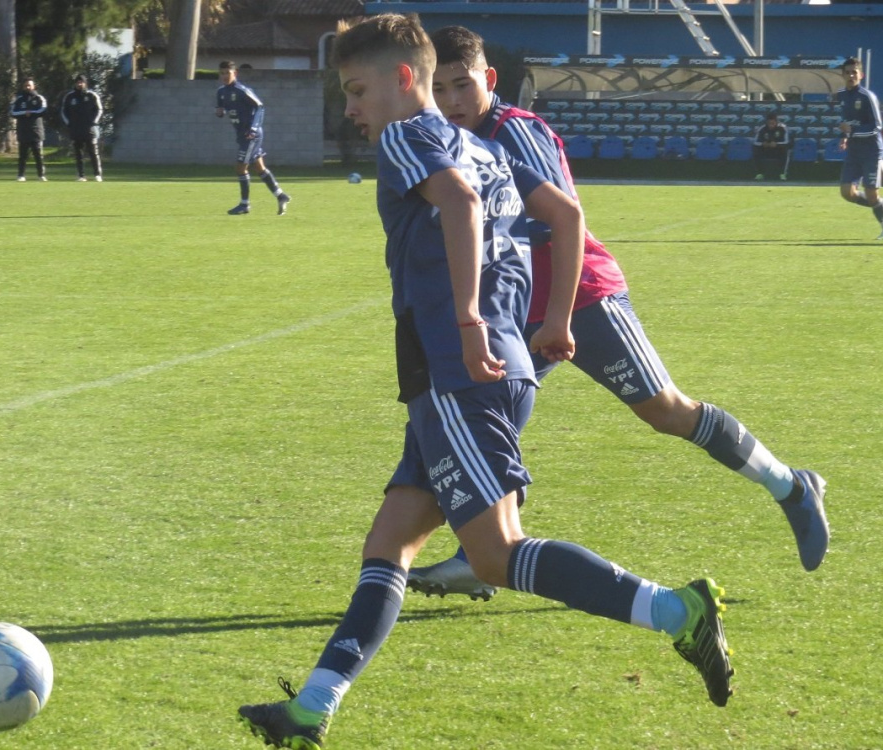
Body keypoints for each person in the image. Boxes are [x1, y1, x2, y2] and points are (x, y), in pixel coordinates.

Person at [237, 15, 734, 749]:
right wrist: (551, 322)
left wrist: (468, 322)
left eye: (356, 89)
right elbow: (559, 217)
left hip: (457, 373)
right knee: (391, 542)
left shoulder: (410, 135)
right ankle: (311, 710)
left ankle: (678, 612)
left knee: (494, 554)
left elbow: (461, 207)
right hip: (485, 371)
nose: (350, 108)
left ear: (403, 80)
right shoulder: (483, 147)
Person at [408, 25, 829, 604]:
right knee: (489, 427)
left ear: (490, 79)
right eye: (441, 88)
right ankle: (479, 557)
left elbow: (566, 222)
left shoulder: (515, 132)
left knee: (665, 411)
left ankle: (791, 486)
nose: (453, 100)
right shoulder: (447, 141)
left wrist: (558, 319)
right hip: (514, 312)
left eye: (464, 85)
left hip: (581, 298)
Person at [215, 60, 290, 215]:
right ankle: (281, 196)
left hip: (251, 135)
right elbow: (221, 106)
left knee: (240, 167)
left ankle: (245, 204)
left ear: (234, 73)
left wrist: (254, 128)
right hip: (241, 135)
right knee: (259, 168)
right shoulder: (221, 92)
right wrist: (220, 111)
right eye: (221, 73)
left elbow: (259, 106)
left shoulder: (242, 90)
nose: (224, 76)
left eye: (227, 73)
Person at [835, 56, 883, 240]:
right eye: (847, 72)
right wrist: (845, 136)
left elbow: (877, 126)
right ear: (843, 75)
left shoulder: (867, 96)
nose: (850, 75)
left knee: (871, 193)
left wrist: (852, 131)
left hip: (871, 151)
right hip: (854, 152)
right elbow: (847, 122)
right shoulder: (842, 95)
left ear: (861, 75)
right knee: (847, 193)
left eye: (854, 72)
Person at [60, 74, 104, 182]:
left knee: (93, 152)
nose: (80, 84)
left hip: (89, 129)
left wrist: (94, 122)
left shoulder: (92, 95)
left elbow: (99, 110)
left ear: (85, 83)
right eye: (78, 82)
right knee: (78, 153)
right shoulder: (70, 97)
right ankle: (81, 175)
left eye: (82, 82)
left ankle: (97, 175)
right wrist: (69, 123)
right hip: (76, 129)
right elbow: (63, 111)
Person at [10, 77, 47, 182]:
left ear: (33, 86)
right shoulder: (19, 99)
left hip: (36, 132)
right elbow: (12, 112)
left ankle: (41, 175)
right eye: (26, 85)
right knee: (23, 156)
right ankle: (21, 175)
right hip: (23, 131)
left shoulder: (39, 98)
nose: (27, 87)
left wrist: (31, 112)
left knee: (38, 155)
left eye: (29, 85)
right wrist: (24, 113)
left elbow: (43, 110)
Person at [752, 112, 791, 181]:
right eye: (769, 123)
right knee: (756, 150)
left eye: (773, 123)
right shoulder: (762, 128)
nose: (771, 125)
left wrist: (777, 144)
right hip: (766, 149)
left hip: (778, 150)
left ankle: (782, 174)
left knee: (786, 151)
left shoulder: (783, 128)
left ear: (776, 122)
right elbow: (755, 142)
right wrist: (762, 144)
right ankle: (759, 174)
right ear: (766, 122)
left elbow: (787, 142)